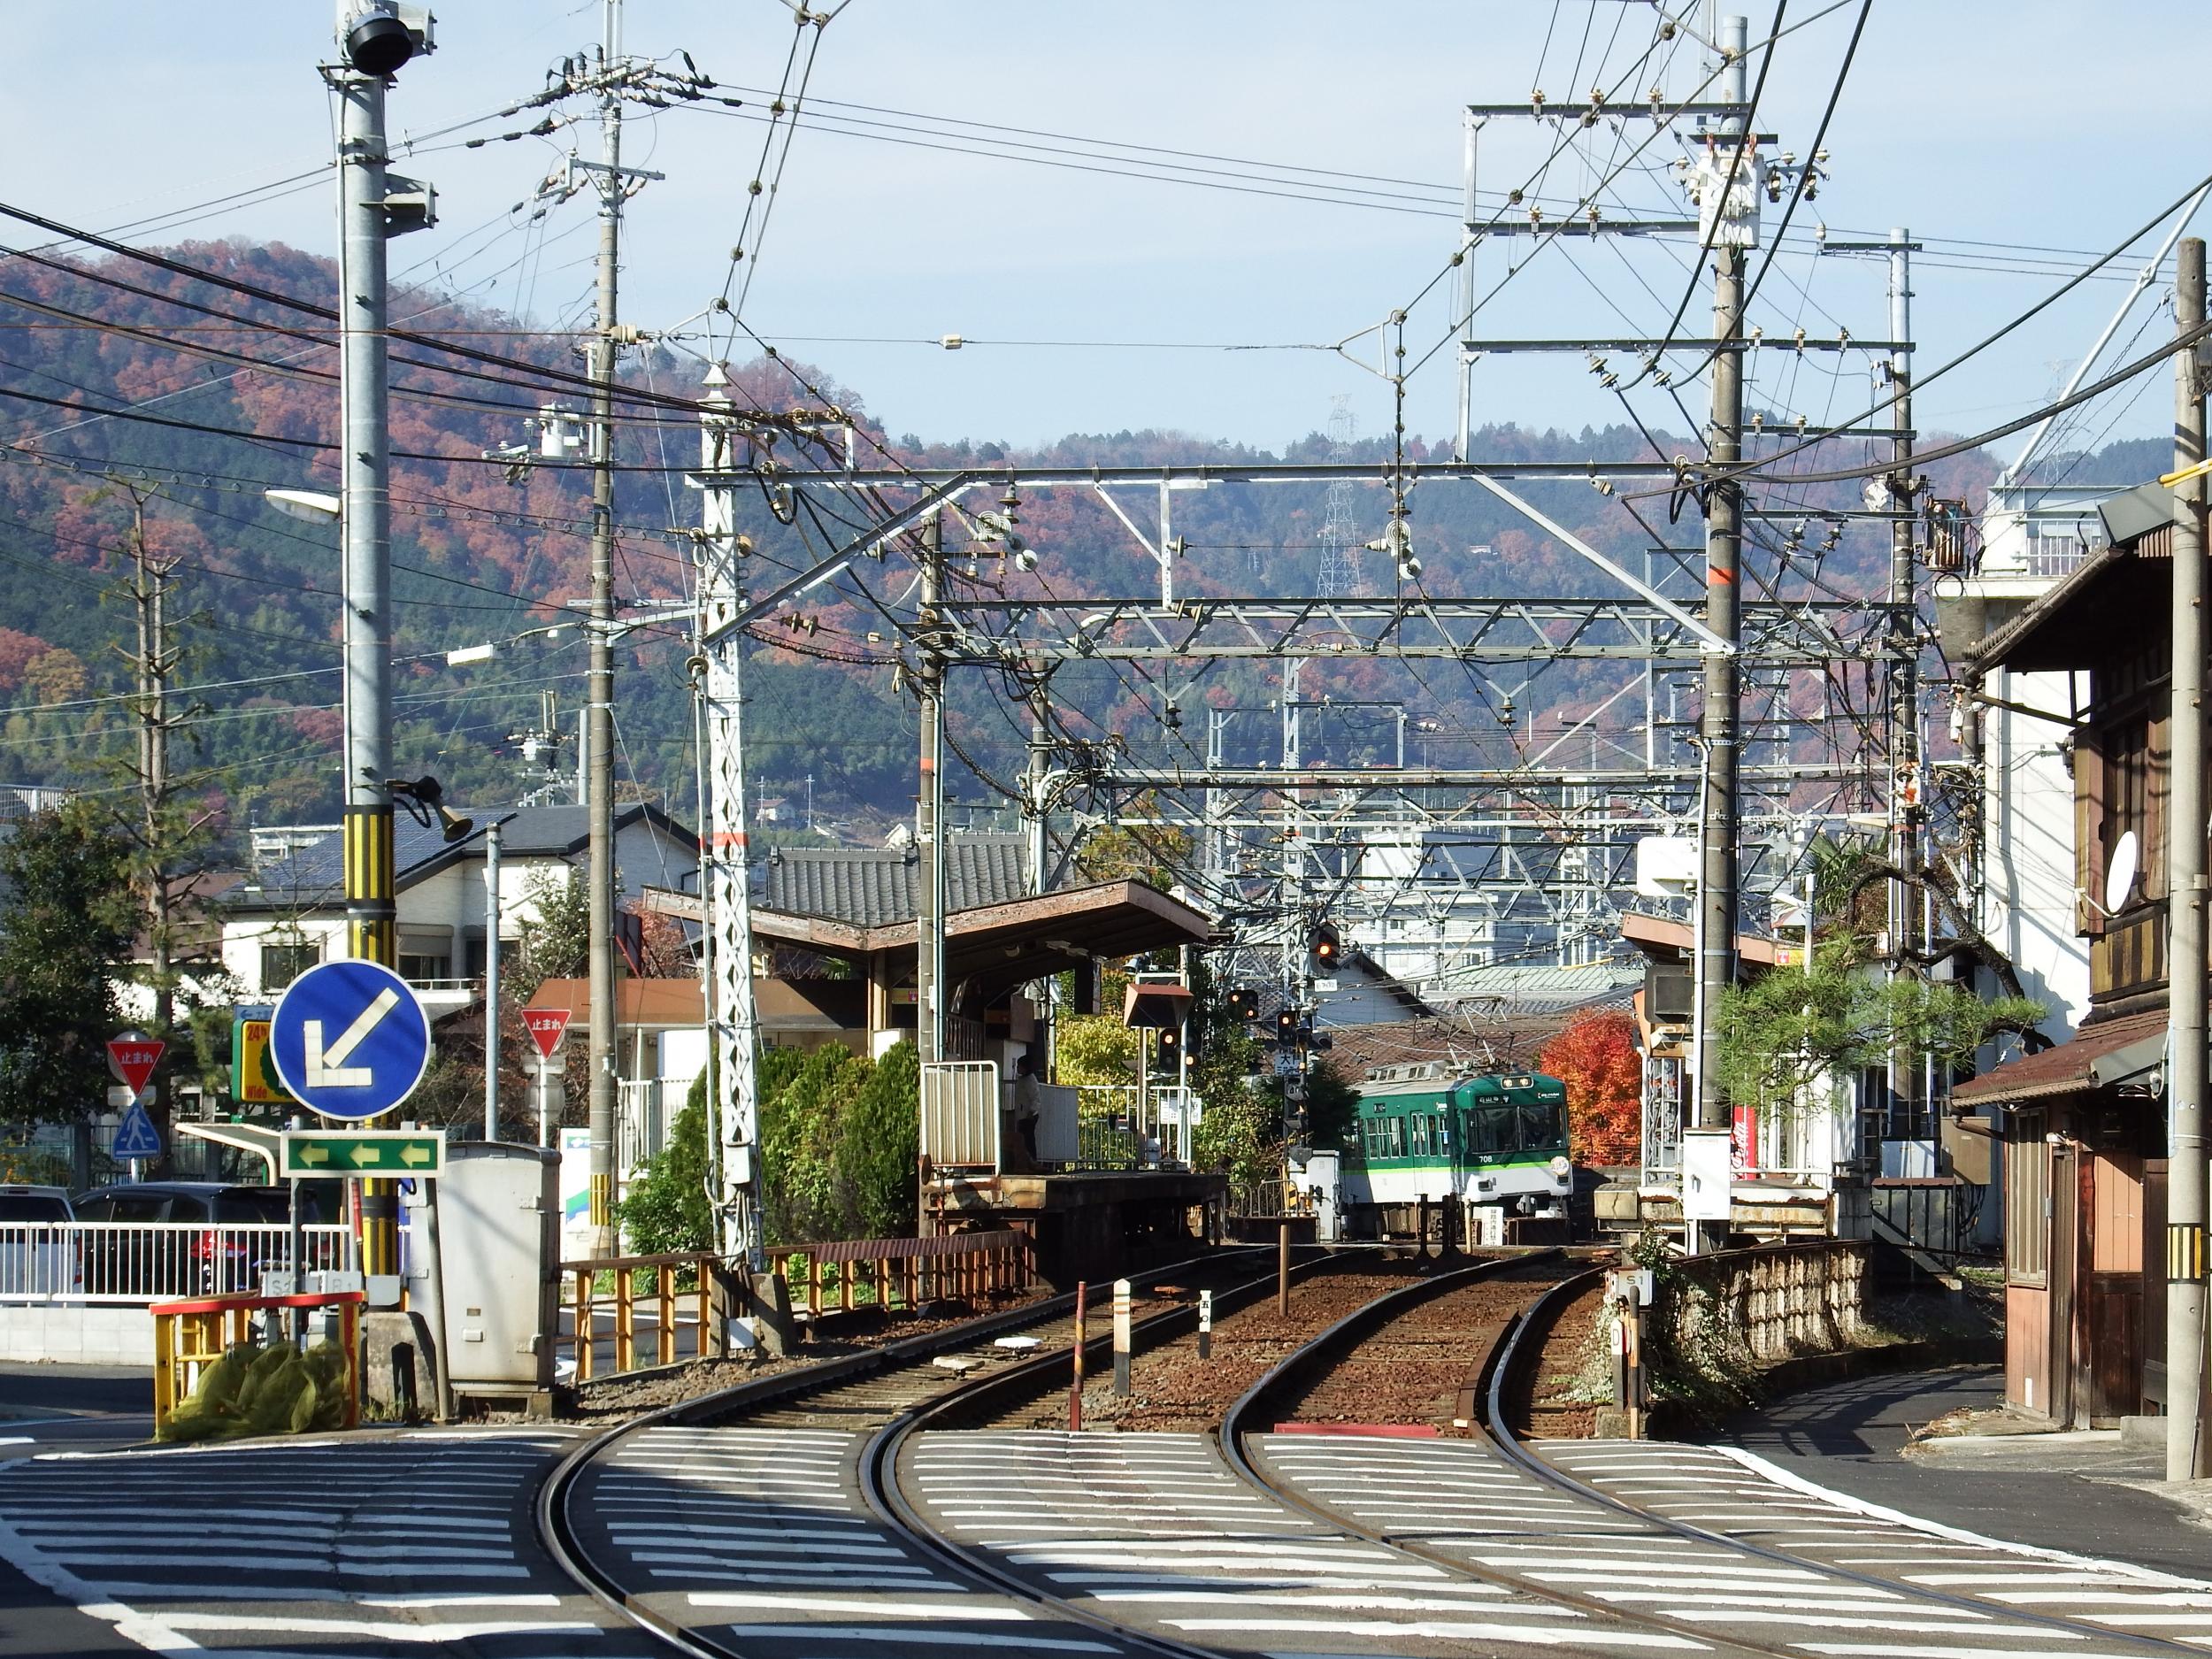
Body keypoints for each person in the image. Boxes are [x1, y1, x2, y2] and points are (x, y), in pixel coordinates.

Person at [1010, 1050, 1044, 1171]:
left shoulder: (1030, 1080)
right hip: (1023, 1114)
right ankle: (1028, 1164)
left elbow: (1036, 1098)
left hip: (1028, 1115)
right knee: (1024, 1140)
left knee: (1028, 1141)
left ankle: (1032, 1163)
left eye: (1020, 1066)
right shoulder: (1023, 1079)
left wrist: (1032, 1111)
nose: (1018, 1069)